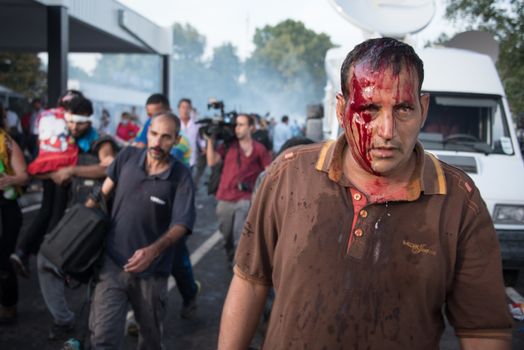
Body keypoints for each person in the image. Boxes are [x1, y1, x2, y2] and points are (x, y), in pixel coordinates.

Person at [218, 38, 512, 350]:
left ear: (423, 109)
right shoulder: (290, 175)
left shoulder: (459, 201)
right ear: (342, 109)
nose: (386, 130)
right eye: (369, 108)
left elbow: (484, 331)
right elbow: (250, 281)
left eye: (402, 109)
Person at [88, 112, 196, 349]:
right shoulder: (127, 156)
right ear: (147, 133)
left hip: (152, 274)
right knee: (102, 338)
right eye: (154, 134)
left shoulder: (181, 176)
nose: (157, 142)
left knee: (150, 340)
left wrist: (153, 251)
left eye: (166, 137)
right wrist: (77, 229)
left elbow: (182, 224)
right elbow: (101, 194)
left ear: (176, 140)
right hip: (112, 264)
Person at [23, 95, 117, 340]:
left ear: (89, 120)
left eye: (80, 122)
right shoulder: (64, 142)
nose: (75, 127)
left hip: (97, 218)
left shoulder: (99, 140)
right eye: (71, 122)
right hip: (75, 217)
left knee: (100, 278)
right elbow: (46, 171)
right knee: (46, 259)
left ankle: (97, 331)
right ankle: (64, 320)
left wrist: (72, 169)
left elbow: (109, 166)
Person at [133, 93, 200, 320]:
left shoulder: (178, 141)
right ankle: (141, 313)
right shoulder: (148, 128)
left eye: (157, 113)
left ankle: (189, 295)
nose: (157, 140)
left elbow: (159, 157)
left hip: (175, 200)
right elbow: (137, 152)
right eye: (150, 116)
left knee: (177, 259)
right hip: (148, 199)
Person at [206, 114, 271, 265]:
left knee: (240, 235)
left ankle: (239, 267)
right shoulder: (228, 146)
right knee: (227, 234)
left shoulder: (260, 149)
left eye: (241, 125)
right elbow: (211, 161)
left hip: (246, 198)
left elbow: (269, 172)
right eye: (236, 125)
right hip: (225, 197)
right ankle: (231, 256)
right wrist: (210, 140)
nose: (237, 128)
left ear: (251, 128)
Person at [0, 116, 29, 324]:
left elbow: (24, 176)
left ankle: (9, 305)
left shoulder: (6, 141)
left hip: (6, 209)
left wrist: (8, 179)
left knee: (2, 259)